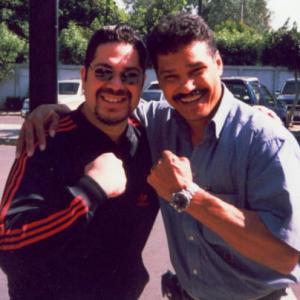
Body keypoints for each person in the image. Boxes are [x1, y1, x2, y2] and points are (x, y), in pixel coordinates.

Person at [16, 12, 300, 300]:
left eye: (196, 70)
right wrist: (50, 111)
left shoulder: (265, 140)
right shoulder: (158, 123)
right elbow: (111, 103)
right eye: (171, 77)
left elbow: (286, 255)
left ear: (218, 64)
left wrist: (188, 195)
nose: (186, 86)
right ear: (158, 83)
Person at [0, 25, 158, 300]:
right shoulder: (47, 139)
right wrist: (90, 191)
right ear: (84, 77)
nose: (116, 85)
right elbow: (8, 245)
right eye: (103, 72)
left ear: (142, 83)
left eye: (129, 76)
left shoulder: (148, 142)